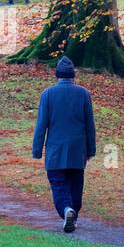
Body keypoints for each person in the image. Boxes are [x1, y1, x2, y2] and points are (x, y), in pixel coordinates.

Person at [31, 56, 96, 232]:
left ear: (57, 75)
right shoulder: (84, 94)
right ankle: (73, 214)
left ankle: (67, 210)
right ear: (73, 75)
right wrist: (91, 150)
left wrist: (37, 150)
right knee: (76, 185)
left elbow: (41, 125)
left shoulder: (48, 94)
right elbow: (90, 125)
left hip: (55, 152)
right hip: (77, 151)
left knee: (58, 185)